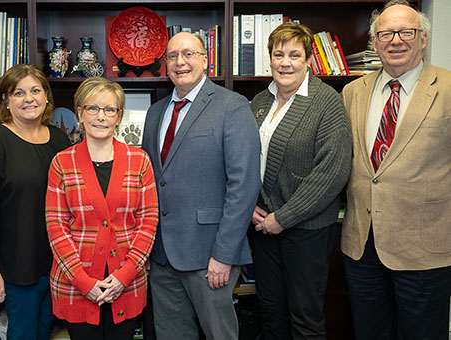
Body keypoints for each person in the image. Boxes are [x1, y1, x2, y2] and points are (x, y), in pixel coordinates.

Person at [341, 1, 451, 339]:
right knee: (369, 332)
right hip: (362, 245)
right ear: (374, 43)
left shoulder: (447, 89)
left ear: (423, 38)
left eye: (407, 32)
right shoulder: (352, 92)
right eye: (386, 33)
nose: (396, 40)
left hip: (425, 247)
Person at [141, 32, 261, 340]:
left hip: (210, 253)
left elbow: (244, 185)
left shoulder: (232, 106)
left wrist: (224, 254)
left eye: (189, 54)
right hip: (163, 254)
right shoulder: (156, 112)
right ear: (165, 65)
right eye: (172, 56)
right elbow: (151, 181)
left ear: (206, 60)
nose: (180, 62)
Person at [248, 22, 352, 339]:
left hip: (305, 230)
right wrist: (250, 206)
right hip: (263, 227)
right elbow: (245, 160)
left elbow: (332, 171)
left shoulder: (326, 102)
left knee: (305, 317)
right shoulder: (258, 103)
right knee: (270, 311)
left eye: (295, 54)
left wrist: (284, 217)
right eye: (278, 54)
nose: (285, 62)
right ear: (270, 58)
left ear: (308, 59)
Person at [45, 77, 158, 340]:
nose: (101, 116)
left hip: (127, 282)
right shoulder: (61, 163)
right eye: (92, 108)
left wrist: (124, 276)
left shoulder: (139, 161)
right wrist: (85, 283)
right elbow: (56, 228)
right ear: (80, 114)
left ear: (119, 117)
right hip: (77, 282)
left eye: (110, 109)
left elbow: (148, 222)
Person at [0, 64, 71, 340]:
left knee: (46, 331)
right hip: (16, 264)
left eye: (36, 90)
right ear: (6, 100)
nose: (29, 98)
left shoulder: (59, 139)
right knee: (23, 333)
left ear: (47, 96)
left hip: (58, 263)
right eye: (19, 93)